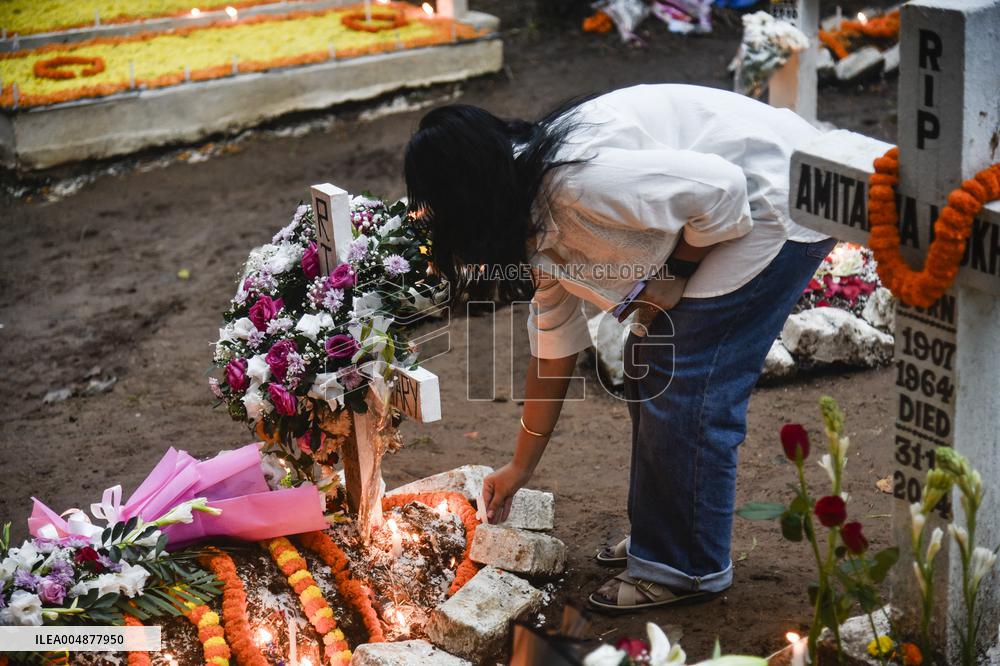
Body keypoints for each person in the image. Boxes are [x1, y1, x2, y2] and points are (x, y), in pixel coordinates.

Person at [403, 84, 835, 611]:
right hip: (742, 198)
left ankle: (685, 565)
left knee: (683, 374)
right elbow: (554, 343)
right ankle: (669, 536)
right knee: (649, 363)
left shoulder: (575, 184)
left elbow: (724, 189)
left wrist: (675, 273)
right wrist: (519, 467)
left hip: (778, 193)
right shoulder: (521, 203)